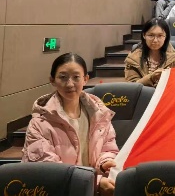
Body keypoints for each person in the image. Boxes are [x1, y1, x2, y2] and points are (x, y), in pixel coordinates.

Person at [22, 53, 119, 196]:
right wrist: (95, 183)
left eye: (76, 77)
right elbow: (48, 170)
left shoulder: (100, 115)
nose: (70, 84)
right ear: (52, 80)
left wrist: (105, 162)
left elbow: (108, 147)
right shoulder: (39, 123)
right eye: (63, 77)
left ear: (85, 79)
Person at [124, 18, 175, 87]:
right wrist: (151, 77)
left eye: (160, 36)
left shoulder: (174, 59)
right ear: (144, 35)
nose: (155, 40)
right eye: (151, 35)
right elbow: (131, 87)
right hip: (142, 94)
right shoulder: (133, 59)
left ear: (166, 36)